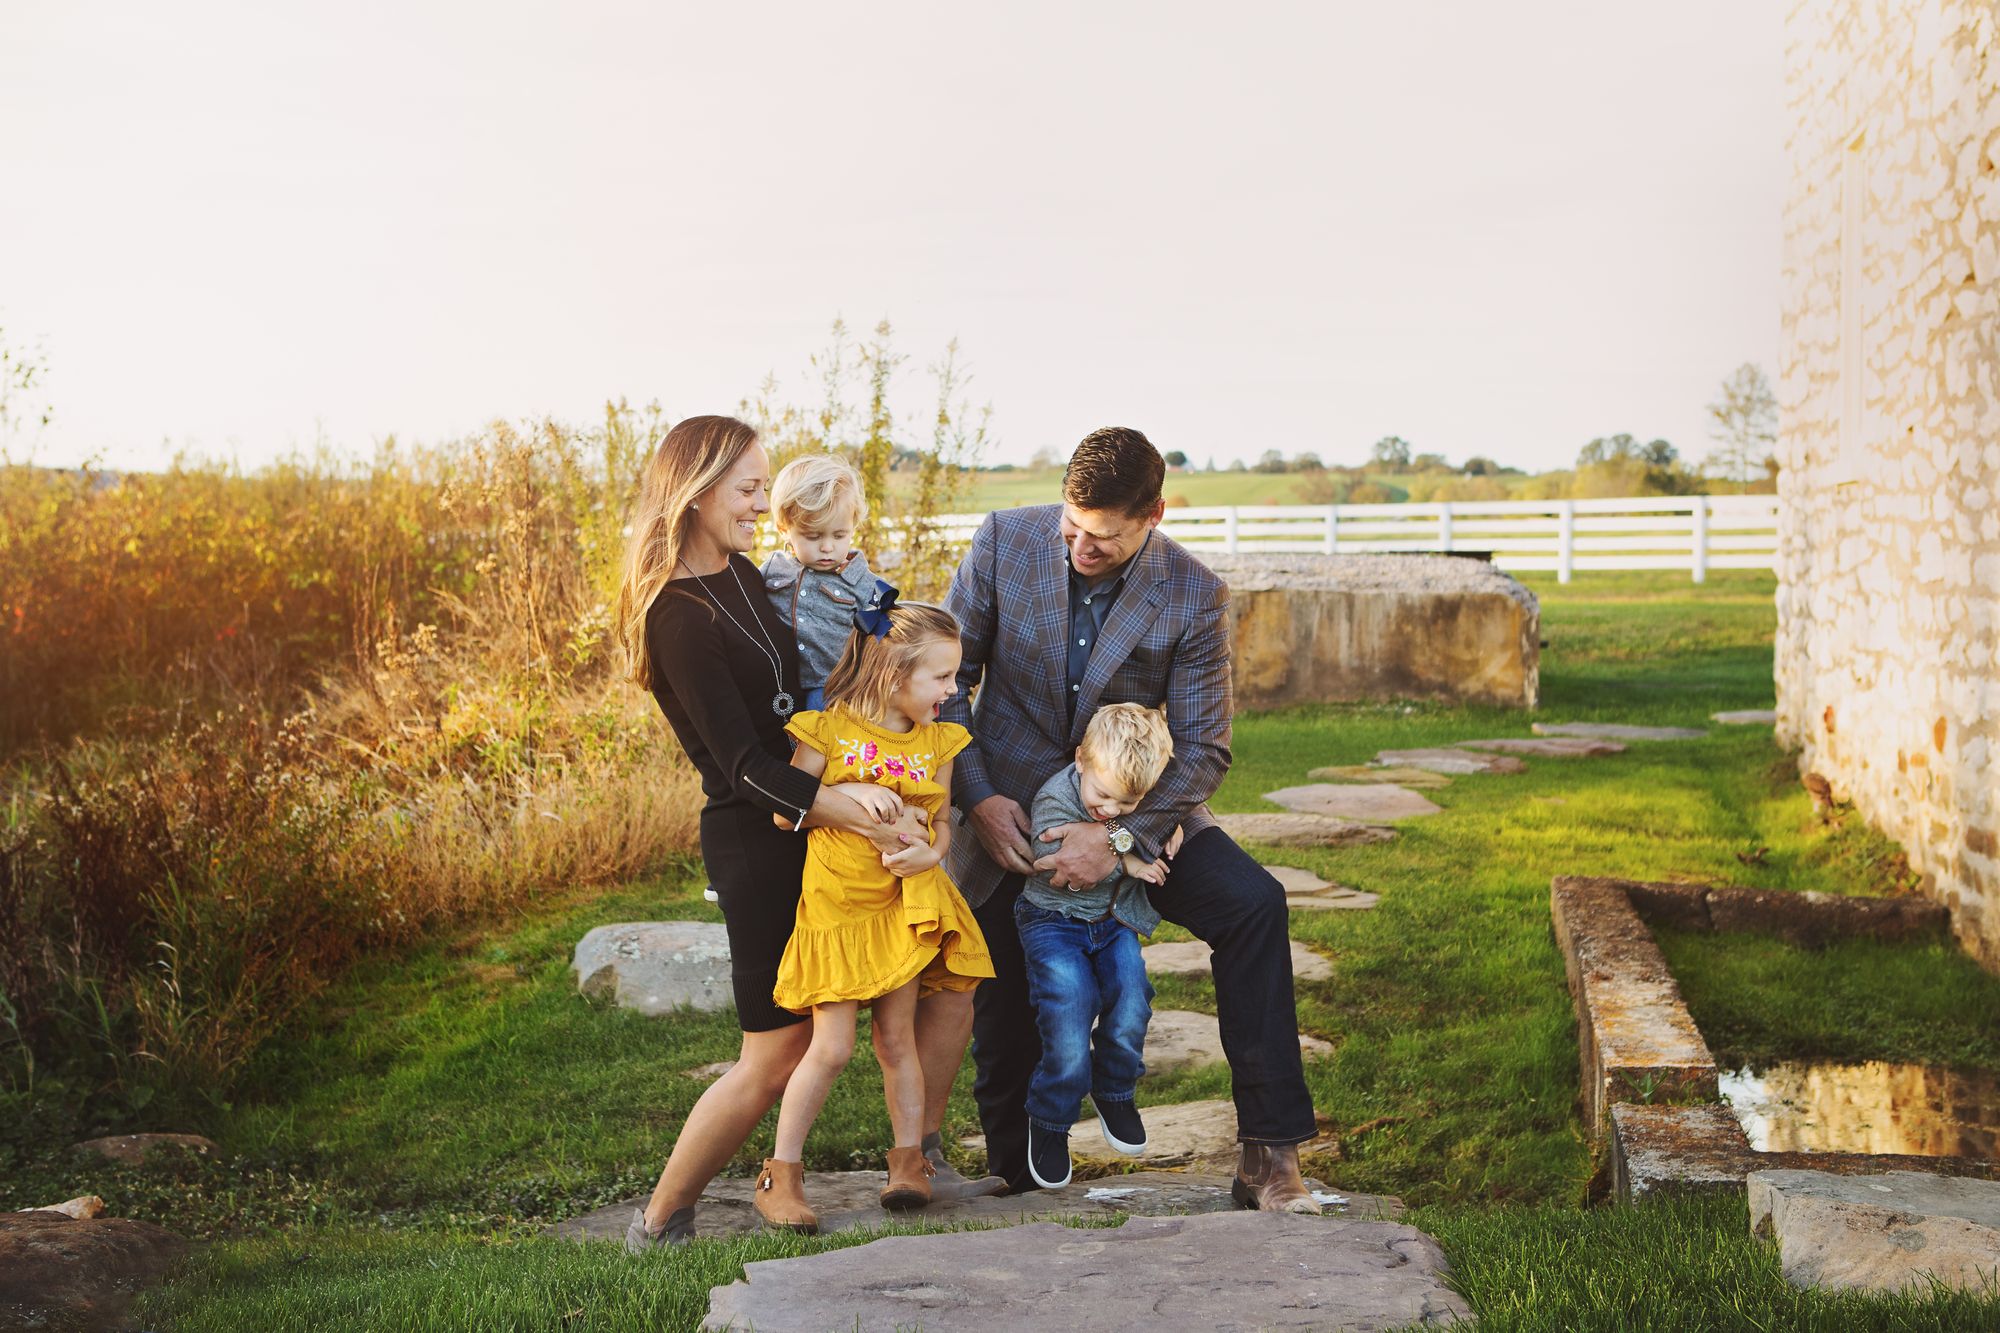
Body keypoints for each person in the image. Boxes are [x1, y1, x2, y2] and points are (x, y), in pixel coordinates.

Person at [615, 415, 994, 1255]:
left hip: (819, 827)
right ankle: (661, 1216)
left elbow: (808, 704)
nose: (761, 502)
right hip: (758, 839)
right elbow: (742, 764)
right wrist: (844, 801)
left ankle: (912, 1155)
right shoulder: (677, 615)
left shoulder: (744, 577)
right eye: (749, 487)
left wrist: (886, 758)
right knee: (776, 1047)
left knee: (914, 987)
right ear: (698, 490)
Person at [941, 425, 1323, 1213]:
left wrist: (1117, 839)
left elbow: (1206, 748)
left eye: (1104, 537)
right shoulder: (1003, 541)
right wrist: (976, 797)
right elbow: (949, 681)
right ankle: (1017, 1175)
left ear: (1151, 514)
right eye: (1071, 528)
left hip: (1137, 808)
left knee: (1254, 906)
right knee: (1006, 1004)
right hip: (1005, 809)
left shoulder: (1193, 593)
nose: (1080, 547)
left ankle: (1270, 1157)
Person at [754, 596, 995, 1230]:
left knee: (897, 1041)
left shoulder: (938, 741)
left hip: (902, 906)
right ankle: (781, 1174)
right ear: (892, 674)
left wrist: (932, 856)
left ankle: (908, 1163)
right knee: (830, 1048)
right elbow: (786, 811)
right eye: (941, 677)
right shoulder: (827, 730)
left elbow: (944, 820)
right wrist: (845, 791)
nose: (953, 687)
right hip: (839, 909)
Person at [1017, 702, 1178, 1189]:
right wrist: (1127, 854)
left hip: (1112, 924)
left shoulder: (1125, 790)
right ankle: (1050, 1121)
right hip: (1053, 920)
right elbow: (1055, 857)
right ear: (1081, 759)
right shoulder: (1054, 797)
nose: (1109, 810)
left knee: (1132, 1001)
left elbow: (1153, 821)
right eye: (1103, 797)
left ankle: (1114, 1088)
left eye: (1126, 806)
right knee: (1069, 1012)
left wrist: (1168, 824)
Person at [760, 454, 874, 712]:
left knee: (819, 736)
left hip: (832, 687)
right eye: (812, 536)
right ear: (784, 528)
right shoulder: (773, 569)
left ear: (853, 527)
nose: (826, 547)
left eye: (839, 535)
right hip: (779, 683)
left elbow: (887, 637)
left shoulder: (862, 583)